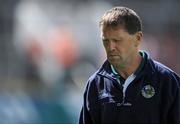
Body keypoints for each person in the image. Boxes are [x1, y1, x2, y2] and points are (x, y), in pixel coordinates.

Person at [78, 6, 180, 124]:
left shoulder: (168, 81)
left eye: (117, 40)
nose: (111, 47)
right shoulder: (95, 84)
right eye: (106, 41)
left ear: (137, 38)